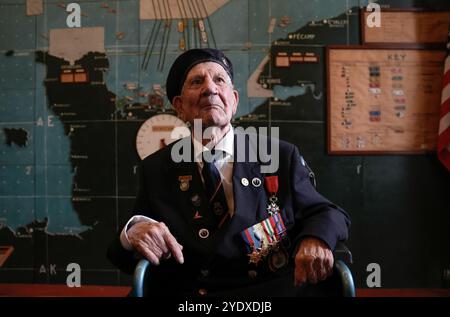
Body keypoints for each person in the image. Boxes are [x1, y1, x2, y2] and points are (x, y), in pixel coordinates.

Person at [107, 48, 350, 296]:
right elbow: (122, 258)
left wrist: (315, 238)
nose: (210, 89)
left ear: (233, 101)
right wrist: (132, 231)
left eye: (219, 80)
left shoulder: (279, 156)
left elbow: (327, 213)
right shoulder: (157, 168)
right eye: (197, 81)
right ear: (179, 106)